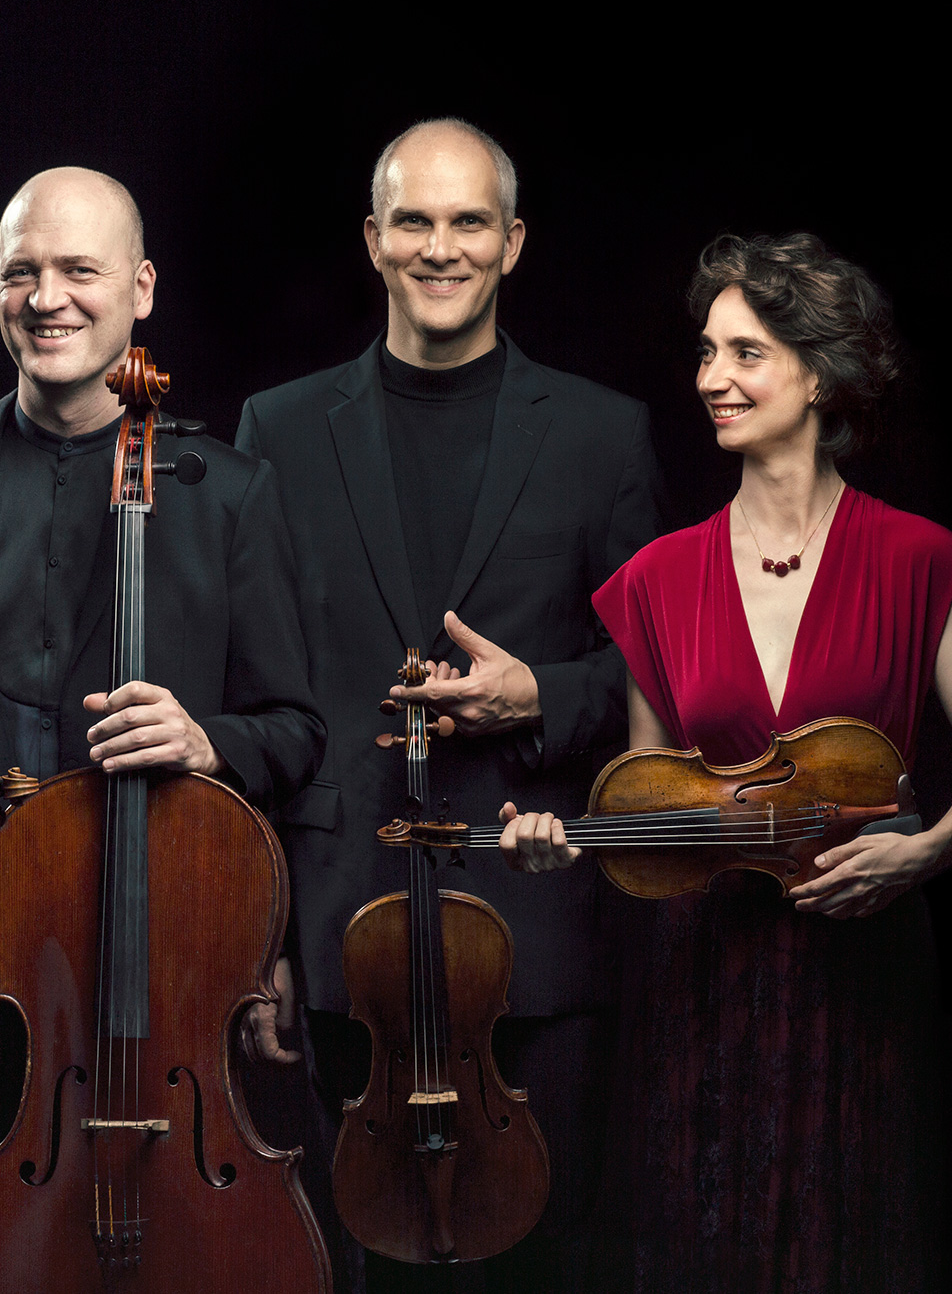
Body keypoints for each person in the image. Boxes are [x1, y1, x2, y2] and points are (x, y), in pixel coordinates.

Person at [0, 166, 324, 1294]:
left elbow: (296, 730)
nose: (47, 297)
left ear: (140, 289)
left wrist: (206, 741)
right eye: (22, 271)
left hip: (150, 955)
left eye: (79, 269)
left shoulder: (229, 491)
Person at [501, 232, 952, 1291]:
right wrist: (567, 840)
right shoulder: (656, 579)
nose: (711, 377)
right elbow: (654, 797)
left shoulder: (920, 560)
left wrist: (924, 852)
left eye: (745, 352)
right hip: (701, 974)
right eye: (705, 351)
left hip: (863, 960)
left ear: (821, 373)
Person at [235, 119, 659, 1292]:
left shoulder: (602, 433)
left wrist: (539, 693)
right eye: (413, 221)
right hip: (340, 924)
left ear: (511, 242)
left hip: (537, 920)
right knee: (362, 1262)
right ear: (372, 239)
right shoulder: (277, 428)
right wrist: (258, 939)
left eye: (468, 220)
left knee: (544, 1258)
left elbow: (653, 675)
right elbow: (253, 693)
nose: (439, 246)